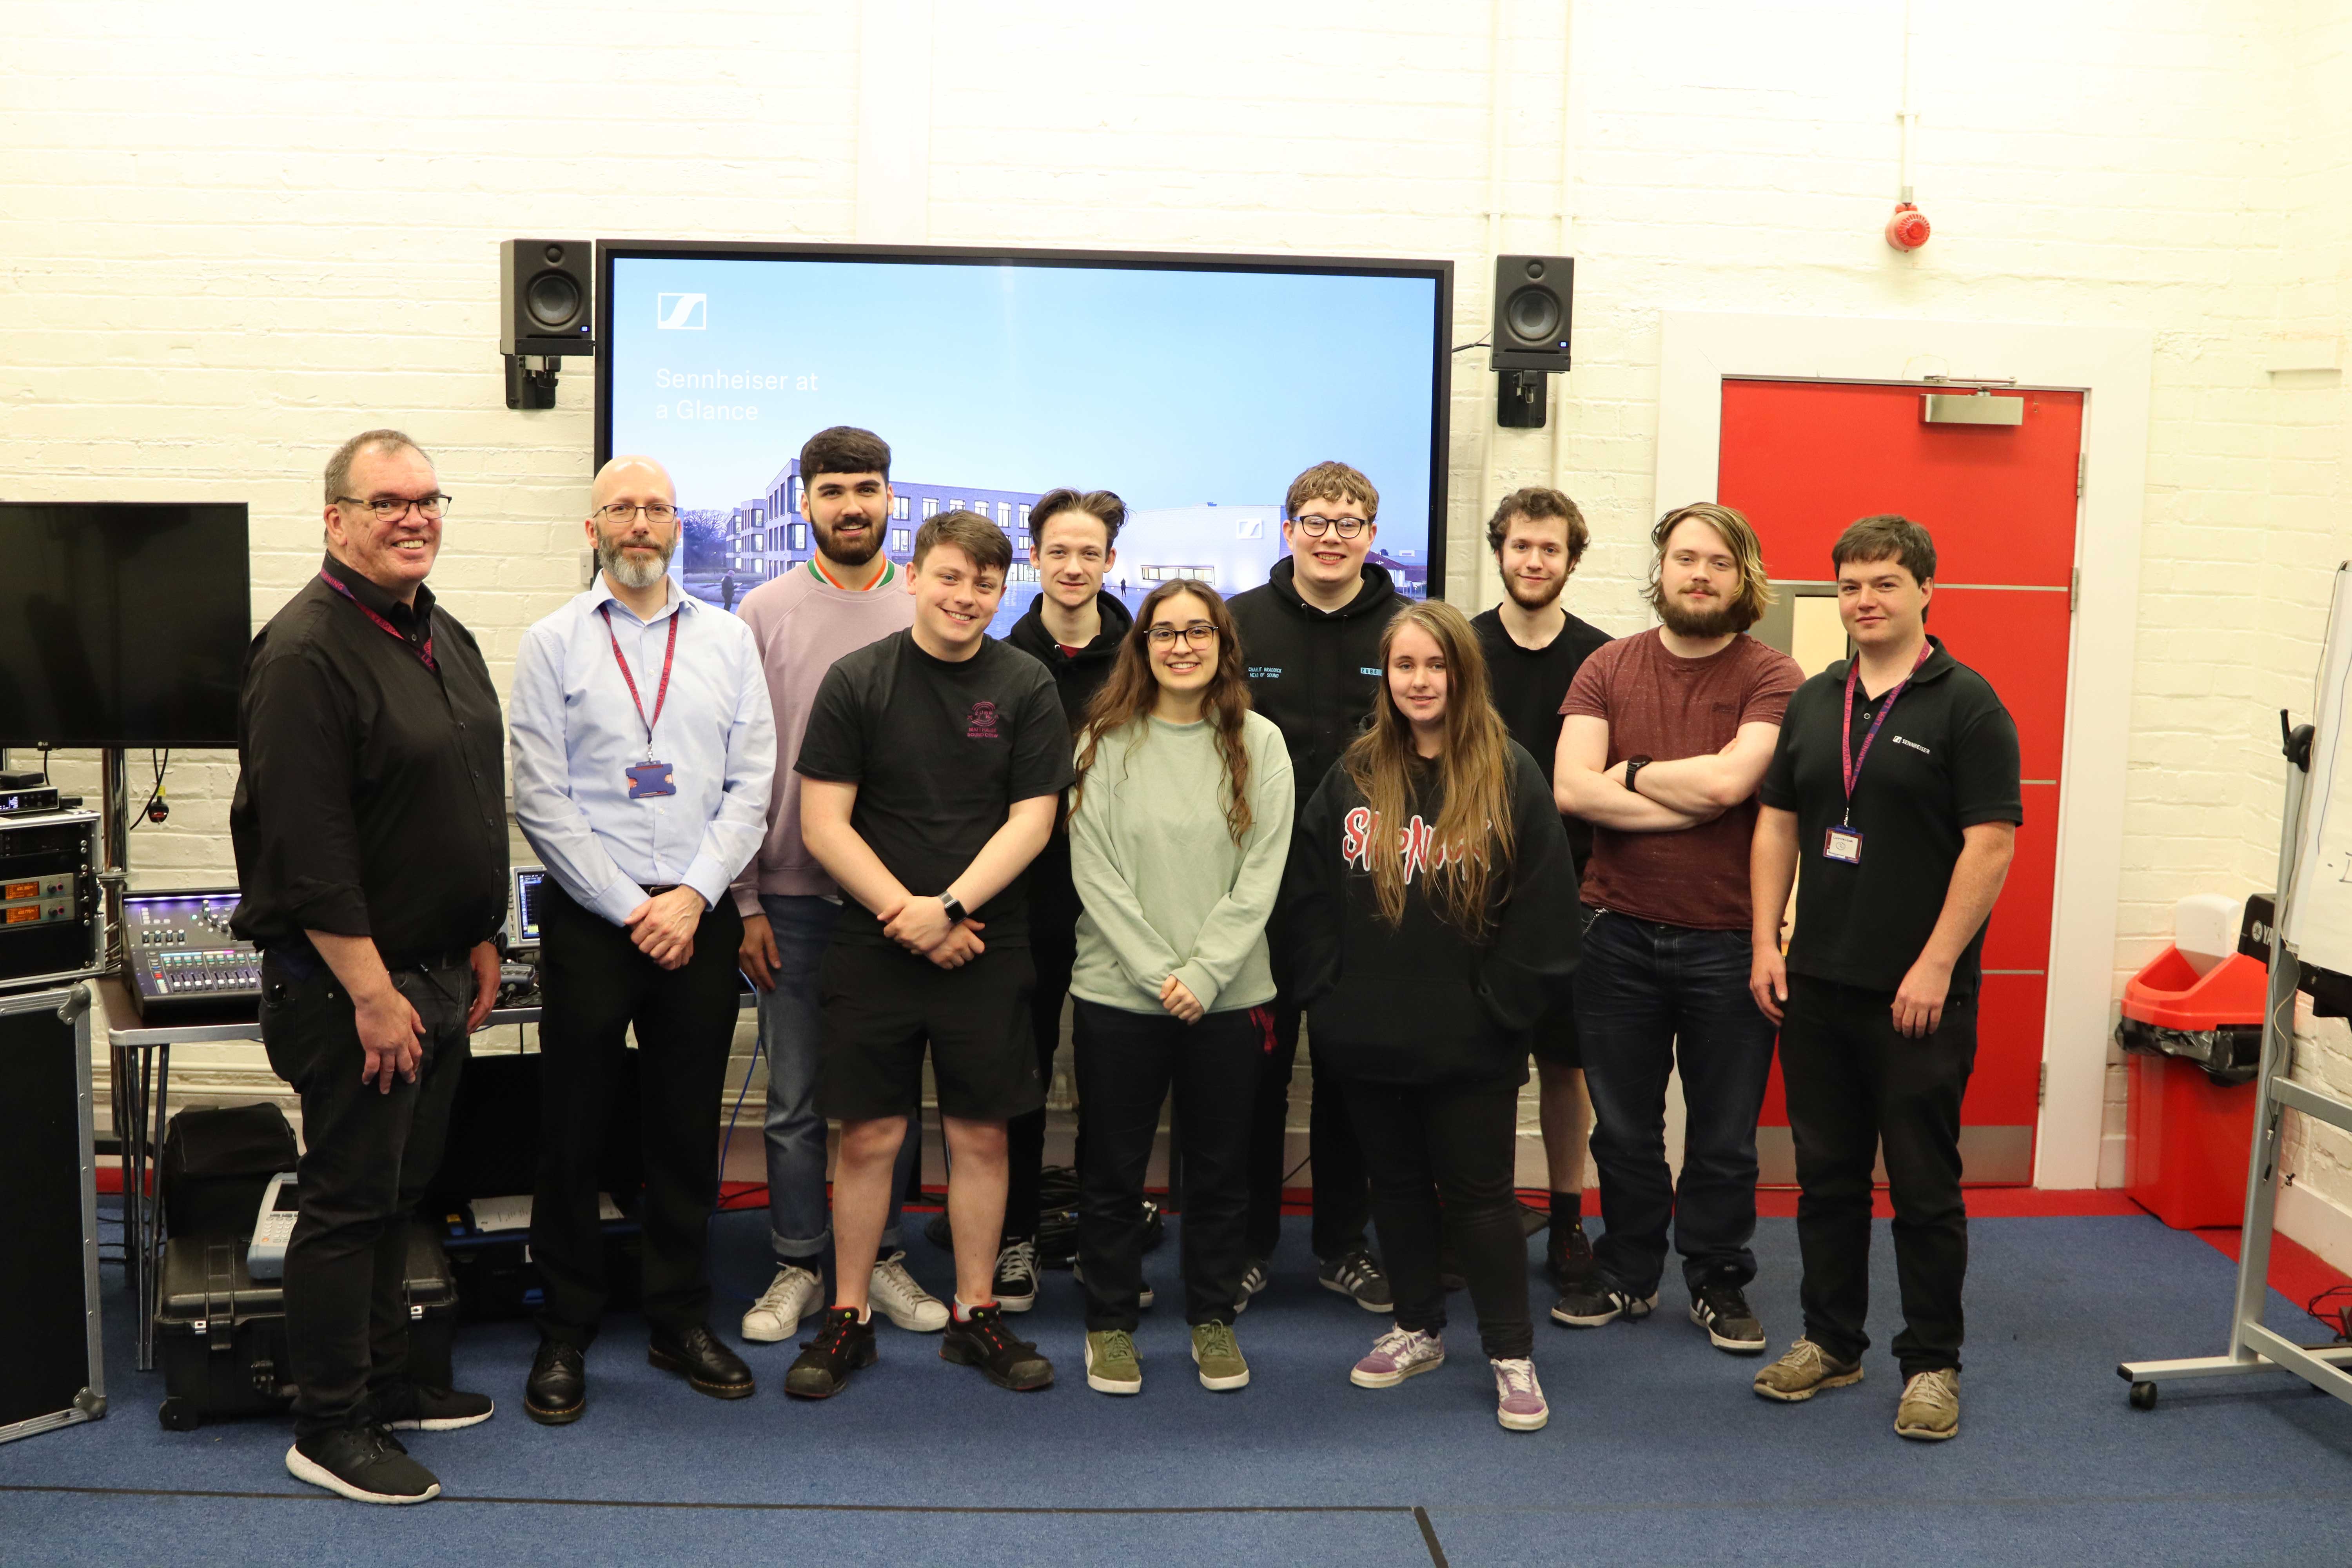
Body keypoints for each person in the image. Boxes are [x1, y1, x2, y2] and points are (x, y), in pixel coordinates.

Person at [231, 428, 507, 1504]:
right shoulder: (304, 652)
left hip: (438, 973)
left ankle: (388, 1386)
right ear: (335, 518)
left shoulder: (442, 633)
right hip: (356, 992)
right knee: (348, 1205)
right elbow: (310, 849)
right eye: (386, 501)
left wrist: (480, 928)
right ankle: (330, 1426)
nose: (413, 517)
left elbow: (462, 799)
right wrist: (375, 993)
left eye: (429, 499)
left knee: (401, 1196)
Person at [508, 456, 775, 1424]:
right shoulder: (552, 642)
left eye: (656, 508)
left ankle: (677, 1316)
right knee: (571, 1130)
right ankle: (566, 1326)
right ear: (593, 528)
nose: (639, 524)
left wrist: (695, 894)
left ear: (678, 527)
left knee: (682, 1128)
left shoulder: (730, 640)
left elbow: (753, 784)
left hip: (696, 916)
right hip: (595, 917)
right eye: (620, 508)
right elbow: (538, 792)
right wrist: (631, 905)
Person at [785, 509, 1073, 1397]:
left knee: (983, 1133)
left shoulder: (1026, 683)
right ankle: (848, 1317)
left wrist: (947, 908)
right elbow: (822, 821)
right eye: (951, 577)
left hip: (987, 940)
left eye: (985, 583)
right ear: (914, 576)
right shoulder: (858, 680)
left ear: (1002, 588)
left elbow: (1035, 820)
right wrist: (905, 913)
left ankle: (974, 1315)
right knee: (869, 1133)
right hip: (875, 943)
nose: (967, 596)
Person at [1748, 515, 2020, 1442]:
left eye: (1885, 583)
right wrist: (1765, 941)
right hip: (1817, 983)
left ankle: (1933, 1361)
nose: (1866, 600)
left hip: (1918, 996)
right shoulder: (1816, 698)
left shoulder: (1966, 704)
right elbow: (1778, 823)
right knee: (1826, 1179)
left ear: (1925, 591)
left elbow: (1991, 845)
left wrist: (1936, 963)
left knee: (1922, 1184)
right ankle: (1832, 1340)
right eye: (1852, 585)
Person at [1285, 601, 1580, 1432]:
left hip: (1472, 1039)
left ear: (1463, 672)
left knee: (1481, 1198)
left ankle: (1511, 1353)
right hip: (1367, 1032)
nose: (1420, 681)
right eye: (1405, 665)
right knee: (1399, 1187)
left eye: (1436, 665)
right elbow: (1306, 896)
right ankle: (1417, 1325)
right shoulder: (1353, 773)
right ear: (1389, 675)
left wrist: (1500, 1012)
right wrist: (1327, 996)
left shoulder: (1509, 771)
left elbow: (1546, 910)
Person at [1553, 501, 1801, 1354]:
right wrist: (1681, 800)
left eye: (1719, 562)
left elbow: (1734, 785)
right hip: (1614, 932)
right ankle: (1626, 1270)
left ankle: (1717, 1279)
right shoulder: (1605, 668)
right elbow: (1573, 792)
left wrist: (1634, 773)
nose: (1699, 574)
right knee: (1622, 1128)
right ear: (1660, 571)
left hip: (1730, 938)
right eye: (1685, 558)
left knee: (1725, 1136)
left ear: (1744, 579)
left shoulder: (1776, 677)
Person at [731, 428, 944, 1347]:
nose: (851, 505)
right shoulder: (761, 610)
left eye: (867, 487)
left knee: (886, 1095)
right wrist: (743, 900)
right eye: (832, 490)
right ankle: (797, 1261)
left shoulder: (928, 604)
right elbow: (737, 762)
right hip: (788, 896)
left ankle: (883, 1255)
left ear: (892, 497)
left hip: (899, 901)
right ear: (806, 504)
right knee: (796, 1100)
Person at [1065, 582, 1293, 1396]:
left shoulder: (1259, 742)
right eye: (1166, 631)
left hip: (1229, 998)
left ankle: (1212, 1316)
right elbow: (1094, 871)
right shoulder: (1102, 740)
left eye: (1200, 630)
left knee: (1222, 1169)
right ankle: (1111, 1325)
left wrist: (1202, 974)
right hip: (1119, 995)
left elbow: (1262, 870)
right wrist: (1160, 972)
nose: (1183, 644)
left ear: (1223, 644)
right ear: (1144, 645)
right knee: (1112, 1171)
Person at [1225, 460, 1391, 1314]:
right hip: (1253, 896)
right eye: (1315, 520)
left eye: (1349, 520)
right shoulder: (1238, 625)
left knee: (1351, 1074)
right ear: (1287, 529)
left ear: (1372, 532)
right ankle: (1248, 1244)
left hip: (1369, 898)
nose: (1331, 535)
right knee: (1253, 1078)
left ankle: (1342, 1245)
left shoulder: (1407, 629)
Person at [1469, 486, 1612, 1290]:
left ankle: (1566, 1219)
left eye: (1550, 548)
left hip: (1574, 900)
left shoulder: (1602, 658)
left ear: (1571, 558)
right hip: (1468, 901)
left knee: (1566, 1068)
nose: (1534, 560)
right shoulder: (1460, 648)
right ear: (1500, 550)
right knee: (1479, 1070)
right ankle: (1476, 1219)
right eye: (1522, 545)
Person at [998, 488, 1135, 1310]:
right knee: (1023, 1075)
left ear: (1110, 561)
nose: (1075, 566)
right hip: (1030, 904)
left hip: (1123, 903)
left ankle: (1100, 1235)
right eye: (1059, 552)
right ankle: (1015, 1236)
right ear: (1037, 559)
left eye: (1090, 552)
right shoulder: (1005, 656)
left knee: (1113, 1080)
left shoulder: (1147, 658)